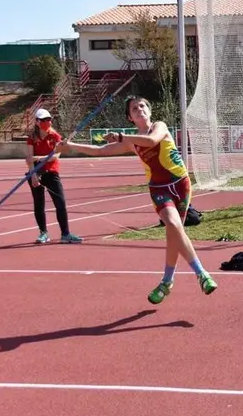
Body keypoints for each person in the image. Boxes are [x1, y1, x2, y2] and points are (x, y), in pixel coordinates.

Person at [56, 96, 217, 304]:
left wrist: (122, 137)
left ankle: (167, 282)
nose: (139, 109)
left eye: (142, 105)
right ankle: (201, 274)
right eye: (134, 108)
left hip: (181, 185)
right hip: (159, 189)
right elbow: (100, 150)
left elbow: (151, 141)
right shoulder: (131, 142)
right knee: (174, 225)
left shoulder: (159, 126)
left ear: (149, 111)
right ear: (130, 117)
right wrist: (71, 146)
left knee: (174, 234)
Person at [25, 109, 83, 245]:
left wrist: (38, 158)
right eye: (44, 120)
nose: (48, 122)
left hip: (52, 173)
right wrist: (33, 175)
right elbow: (29, 158)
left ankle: (65, 234)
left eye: (49, 119)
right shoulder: (32, 138)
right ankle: (43, 233)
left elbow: (55, 156)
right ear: (37, 122)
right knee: (39, 205)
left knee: (60, 204)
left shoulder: (55, 136)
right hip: (36, 173)